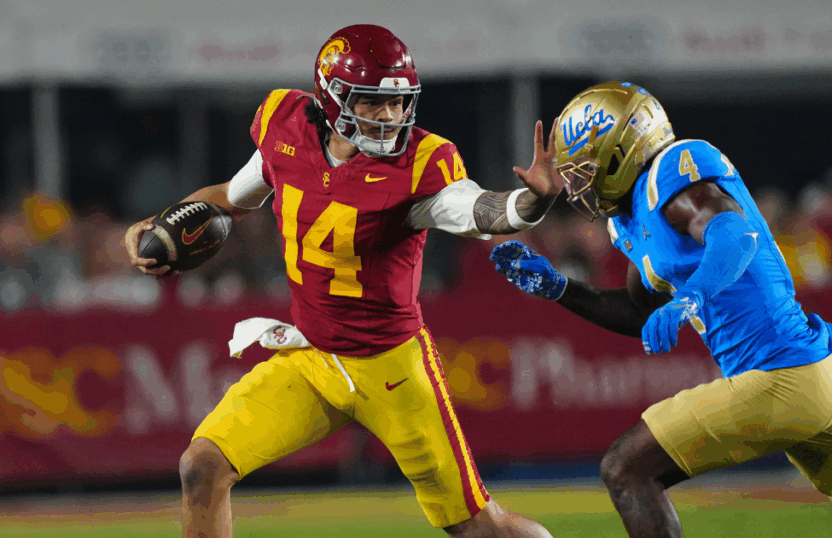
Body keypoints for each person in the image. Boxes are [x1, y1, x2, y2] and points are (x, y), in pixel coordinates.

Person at [490, 81, 832, 538]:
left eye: (585, 169)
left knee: (627, 468)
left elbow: (735, 235)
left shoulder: (670, 172)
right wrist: (561, 289)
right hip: (811, 379)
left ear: (624, 152)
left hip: (783, 375)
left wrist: (693, 296)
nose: (578, 185)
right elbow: (638, 313)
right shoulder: (630, 221)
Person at [122, 24, 559, 538]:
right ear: (332, 98)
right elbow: (230, 199)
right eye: (373, 103)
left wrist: (531, 202)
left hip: (391, 368)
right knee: (202, 465)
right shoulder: (288, 130)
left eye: (399, 104)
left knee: (480, 528)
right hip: (312, 356)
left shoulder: (421, 163)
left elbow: (484, 210)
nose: (390, 117)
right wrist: (157, 225)